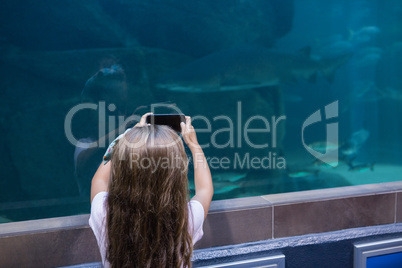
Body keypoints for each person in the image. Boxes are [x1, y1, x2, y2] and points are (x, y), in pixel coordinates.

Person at [89, 113, 213, 268]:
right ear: (176, 174)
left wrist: (126, 137)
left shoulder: (104, 212)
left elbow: (99, 180)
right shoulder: (186, 219)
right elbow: (204, 190)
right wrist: (194, 145)